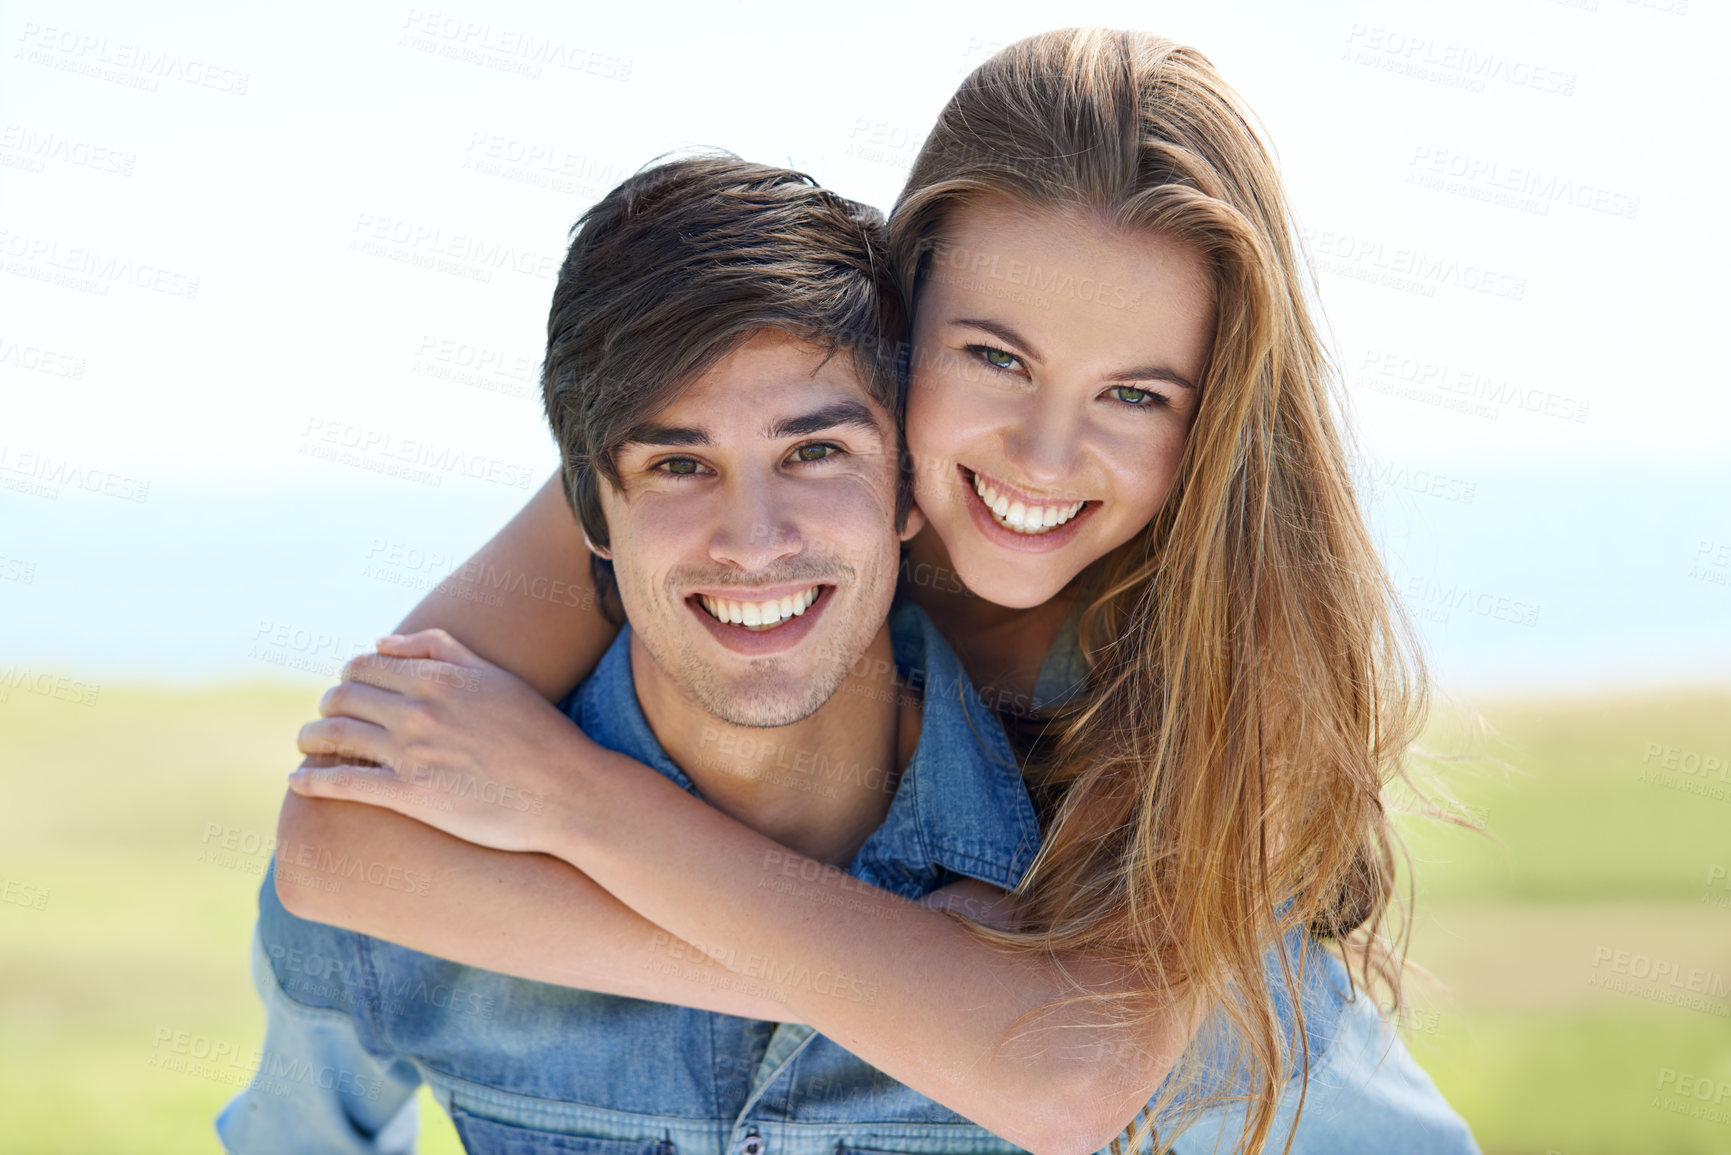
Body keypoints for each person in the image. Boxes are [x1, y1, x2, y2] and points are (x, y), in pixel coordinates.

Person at [274, 28, 1479, 1155]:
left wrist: (572, 801)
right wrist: (915, 985)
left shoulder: (1211, 659)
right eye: (996, 358)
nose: (1042, 458)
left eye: (1136, 394)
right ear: (902, 325)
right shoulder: (730, 467)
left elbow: (1064, 1071)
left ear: (1211, 415)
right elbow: (334, 840)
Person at [219, 154, 1114, 1155]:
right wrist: (931, 992)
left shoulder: (1109, 893)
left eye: (815, 453)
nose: (752, 538)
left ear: (911, 488)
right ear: (593, 509)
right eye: (679, 465)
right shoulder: (407, 871)